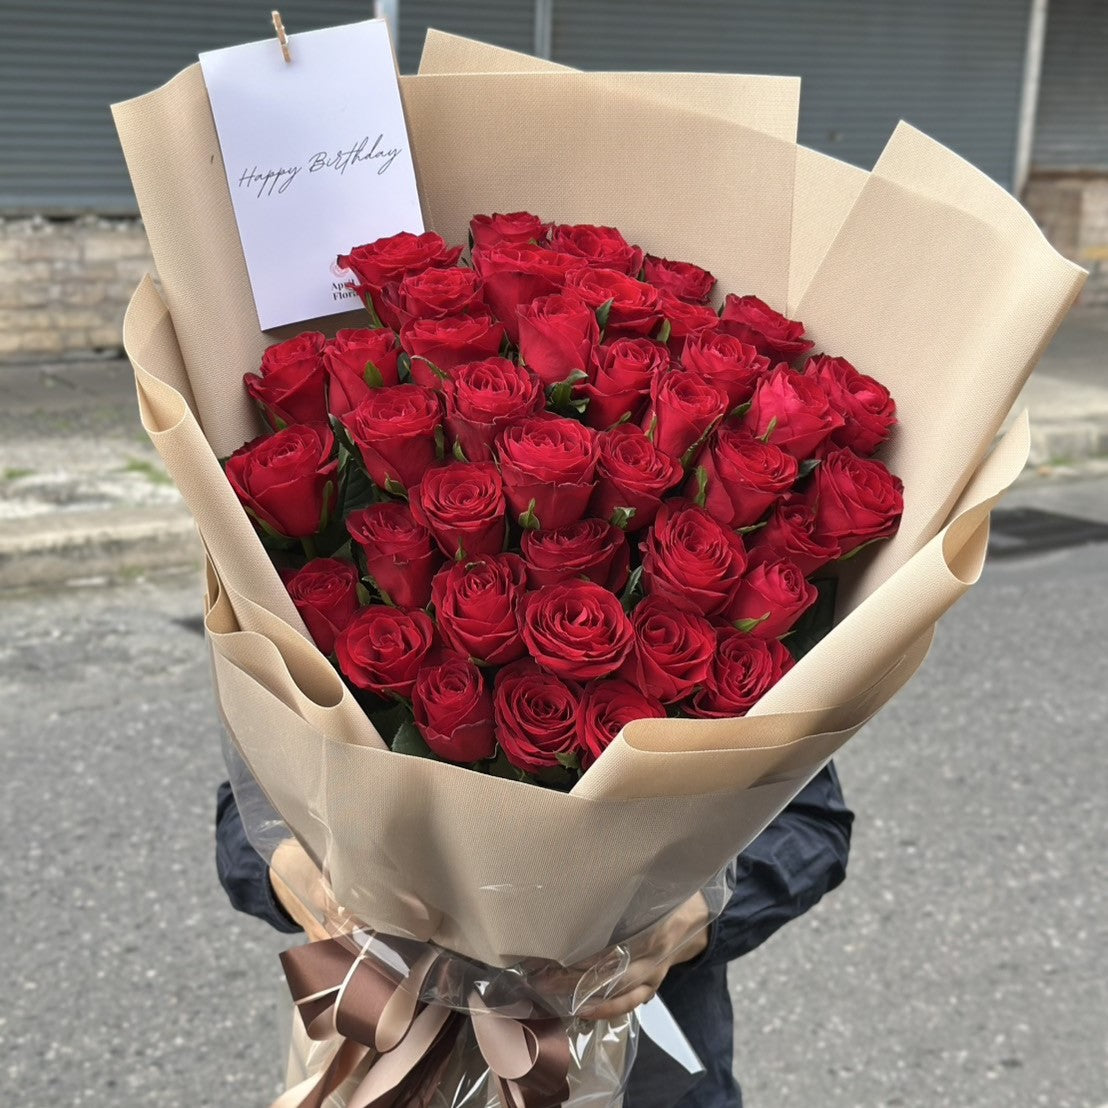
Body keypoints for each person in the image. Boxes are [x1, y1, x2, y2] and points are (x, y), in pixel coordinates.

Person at [216, 762, 852, 1108]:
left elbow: (811, 824)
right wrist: (298, 874)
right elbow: (248, 805)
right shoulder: (306, 569)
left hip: (639, 1048)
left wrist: (686, 922)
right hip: (381, 1035)